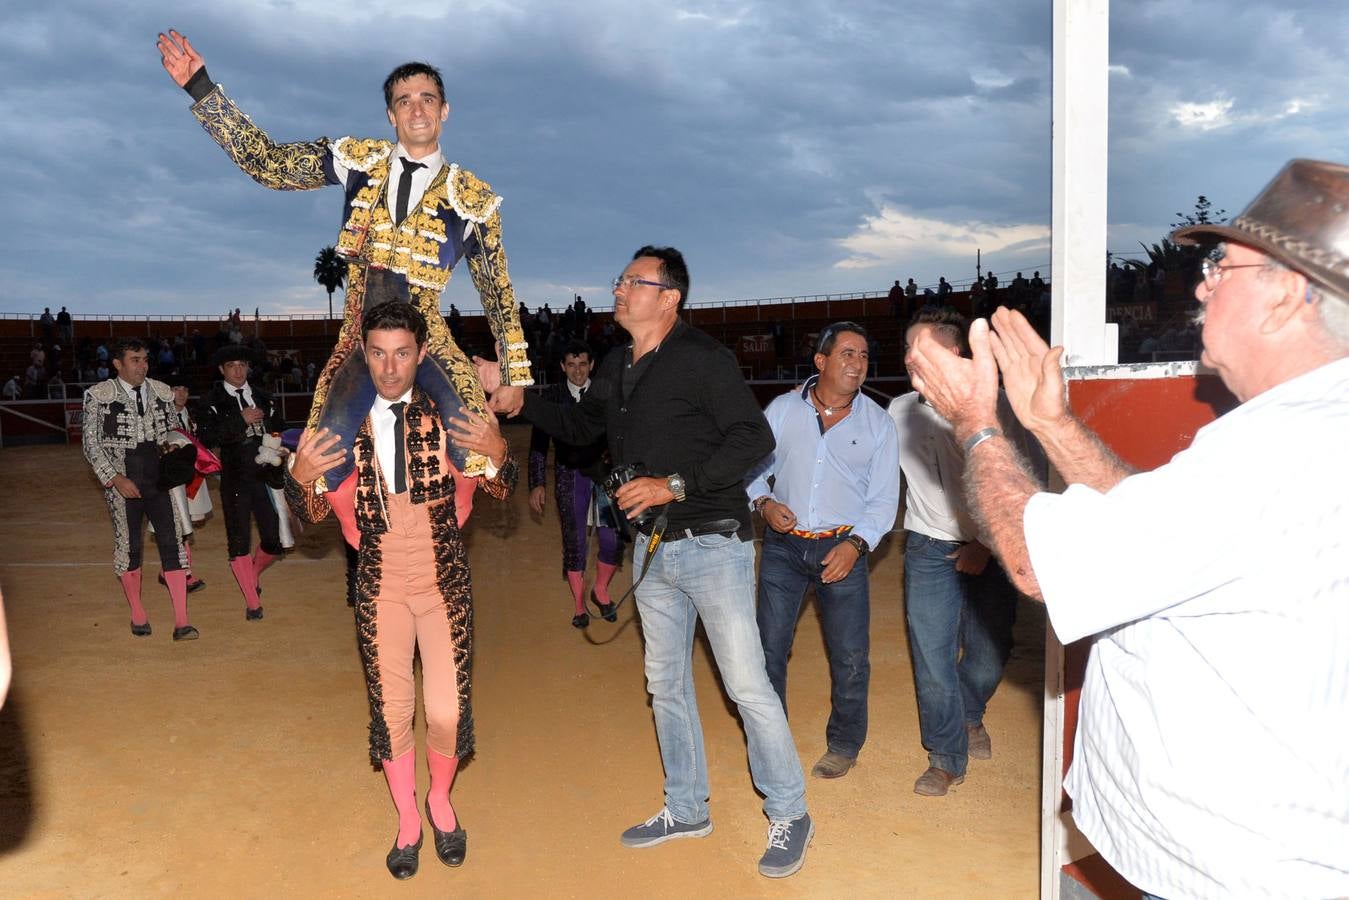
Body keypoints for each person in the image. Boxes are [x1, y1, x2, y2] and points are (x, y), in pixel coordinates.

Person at [904, 158, 1349, 897]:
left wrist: (975, 421)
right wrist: (1049, 423)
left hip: (1231, 870)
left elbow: (1039, 563)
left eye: (1220, 264)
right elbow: (1152, 529)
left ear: (1284, 296)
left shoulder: (1273, 451)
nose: (1202, 283)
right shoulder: (1304, 430)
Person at [484, 246, 813, 879]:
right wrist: (516, 398)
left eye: (634, 281)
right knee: (665, 685)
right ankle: (687, 807)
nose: (619, 288)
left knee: (746, 685)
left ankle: (791, 811)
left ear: (669, 298)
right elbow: (580, 428)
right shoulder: (615, 363)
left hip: (714, 542)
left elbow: (755, 437)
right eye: (620, 279)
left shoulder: (703, 360)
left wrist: (676, 484)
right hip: (651, 551)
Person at [157, 30, 532, 492]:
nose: (417, 109)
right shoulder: (358, 160)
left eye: (428, 99)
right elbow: (270, 164)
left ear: (444, 110)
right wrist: (201, 87)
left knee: (478, 447)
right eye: (405, 100)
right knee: (322, 461)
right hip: (358, 335)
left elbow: (498, 293)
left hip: (428, 338)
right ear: (391, 114)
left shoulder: (473, 198)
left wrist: (514, 376)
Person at [286, 301, 516, 879]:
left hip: (444, 581)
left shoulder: (448, 414)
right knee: (391, 713)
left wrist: (501, 455)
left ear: (421, 354)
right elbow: (310, 514)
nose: (390, 369)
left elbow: (499, 492)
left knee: (444, 710)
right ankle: (409, 817)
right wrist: (295, 480)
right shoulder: (341, 424)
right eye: (379, 354)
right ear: (364, 356)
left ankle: (440, 799)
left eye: (403, 353)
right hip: (379, 582)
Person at [889, 308, 1038, 796]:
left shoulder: (999, 408)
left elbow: (1024, 486)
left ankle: (970, 712)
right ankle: (945, 756)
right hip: (928, 548)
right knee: (932, 660)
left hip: (992, 550)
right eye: (908, 348)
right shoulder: (899, 412)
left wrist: (981, 543)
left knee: (990, 655)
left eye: (923, 348)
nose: (911, 357)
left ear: (953, 354)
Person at [747, 321, 899, 780]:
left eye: (864, 356)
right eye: (848, 354)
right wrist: (764, 502)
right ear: (821, 361)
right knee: (768, 650)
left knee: (850, 656)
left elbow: (884, 500)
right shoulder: (781, 410)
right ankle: (770, 743)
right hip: (783, 549)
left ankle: (844, 743)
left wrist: (856, 546)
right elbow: (750, 469)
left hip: (842, 551)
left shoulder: (878, 422)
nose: (858, 364)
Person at [81, 339, 198, 641]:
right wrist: (115, 479)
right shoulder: (99, 395)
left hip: (159, 478)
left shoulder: (161, 391)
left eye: (145, 359)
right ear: (117, 364)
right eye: (135, 360)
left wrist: (178, 449)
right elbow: (91, 444)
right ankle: (137, 612)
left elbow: (175, 431)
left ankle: (182, 622)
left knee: (172, 544)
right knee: (130, 547)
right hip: (124, 479)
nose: (142, 365)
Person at [526, 340, 621, 628]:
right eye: (571, 365)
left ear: (591, 365)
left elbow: (622, 436)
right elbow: (539, 444)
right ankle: (579, 606)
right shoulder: (554, 397)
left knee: (611, 539)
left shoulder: (606, 393)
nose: (577, 371)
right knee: (575, 541)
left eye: (582, 364)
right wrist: (537, 482)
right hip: (570, 475)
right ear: (562, 366)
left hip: (605, 476)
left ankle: (601, 591)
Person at [198, 346, 286, 620]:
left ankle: (252, 574)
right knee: (239, 539)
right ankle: (252, 602)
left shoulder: (264, 396)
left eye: (242, 365)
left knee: (274, 540)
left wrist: (281, 447)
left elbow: (279, 428)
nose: (238, 370)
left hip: (266, 476)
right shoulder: (210, 400)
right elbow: (206, 438)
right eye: (231, 365)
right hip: (235, 476)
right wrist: (241, 419)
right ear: (221, 370)